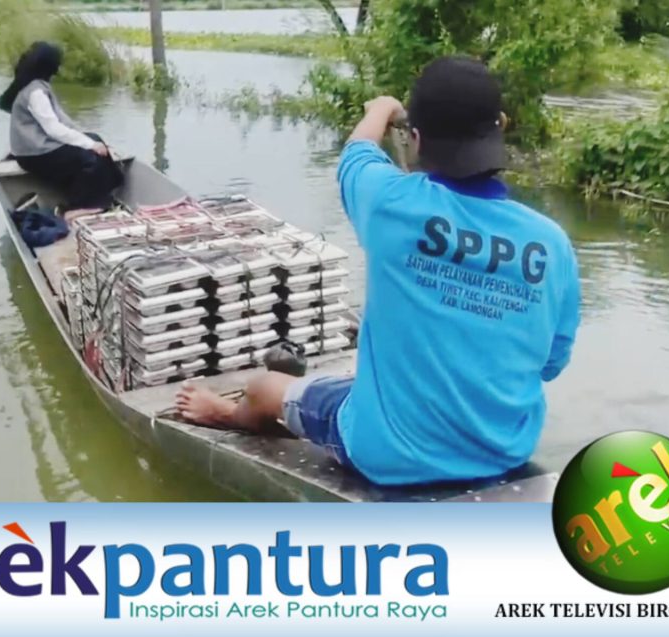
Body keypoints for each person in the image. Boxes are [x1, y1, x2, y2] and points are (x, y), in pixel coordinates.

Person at [176, 56, 581, 486]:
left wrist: (382, 109)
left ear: (416, 139)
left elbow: (357, 153)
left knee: (264, 388)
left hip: (386, 452)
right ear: (501, 124)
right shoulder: (551, 242)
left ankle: (228, 415)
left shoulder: (390, 202)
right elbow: (550, 363)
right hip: (501, 453)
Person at [0, 42, 122, 212]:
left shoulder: (37, 85)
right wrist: (90, 145)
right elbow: (53, 128)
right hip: (33, 155)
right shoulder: (35, 92)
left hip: (39, 147)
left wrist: (90, 140)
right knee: (89, 159)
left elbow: (63, 120)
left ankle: (106, 193)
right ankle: (77, 207)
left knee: (95, 139)